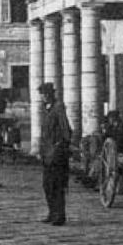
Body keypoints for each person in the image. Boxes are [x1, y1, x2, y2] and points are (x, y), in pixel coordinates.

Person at [38, 83, 72, 226]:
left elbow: (66, 130)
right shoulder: (45, 109)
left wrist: (60, 147)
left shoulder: (59, 107)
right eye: (42, 94)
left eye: (47, 94)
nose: (45, 96)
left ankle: (60, 215)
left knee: (58, 185)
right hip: (47, 154)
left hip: (57, 154)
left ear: (52, 94)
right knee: (47, 185)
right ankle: (52, 213)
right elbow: (44, 133)